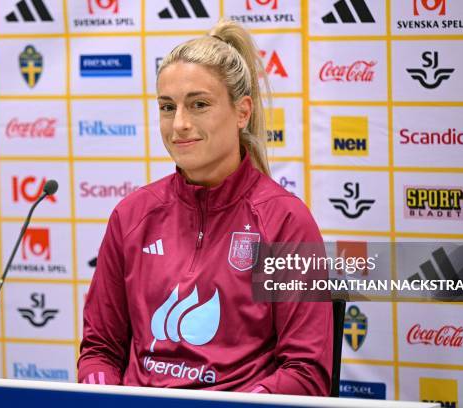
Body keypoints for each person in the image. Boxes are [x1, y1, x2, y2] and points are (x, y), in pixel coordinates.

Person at [78, 19, 332, 396]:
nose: (179, 124)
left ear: (242, 112)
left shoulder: (284, 221)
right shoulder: (131, 216)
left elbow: (306, 372)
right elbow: (100, 351)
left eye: (199, 104)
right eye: (167, 107)